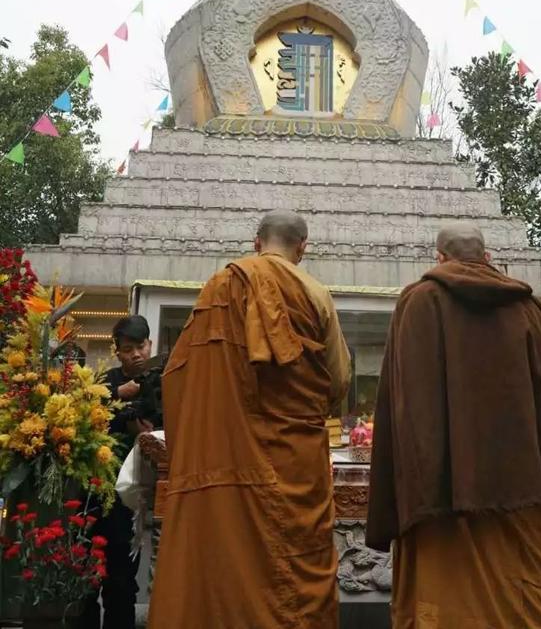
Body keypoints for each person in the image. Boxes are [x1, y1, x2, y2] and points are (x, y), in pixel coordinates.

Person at [366, 224, 541, 629]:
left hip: (440, 498)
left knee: (446, 607)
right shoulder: (527, 308)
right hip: (524, 489)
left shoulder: (418, 303)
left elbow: (404, 404)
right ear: (489, 258)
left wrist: (409, 480)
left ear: (439, 258)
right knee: (529, 605)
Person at [148, 211, 351, 629]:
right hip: (296, 461)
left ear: (256, 242)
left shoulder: (218, 287)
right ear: (303, 248)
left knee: (227, 562)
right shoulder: (314, 292)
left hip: (229, 458)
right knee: (293, 571)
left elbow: (180, 374)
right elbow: (339, 378)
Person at [81, 316, 155, 629]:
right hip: (95, 491)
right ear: (117, 352)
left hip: (133, 498)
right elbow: (80, 418)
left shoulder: (162, 381)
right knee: (87, 576)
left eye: (141, 346)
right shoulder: (103, 383)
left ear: (150, 345)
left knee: (123, 580)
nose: (136, 354)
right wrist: (115, 396)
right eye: (128, 348)